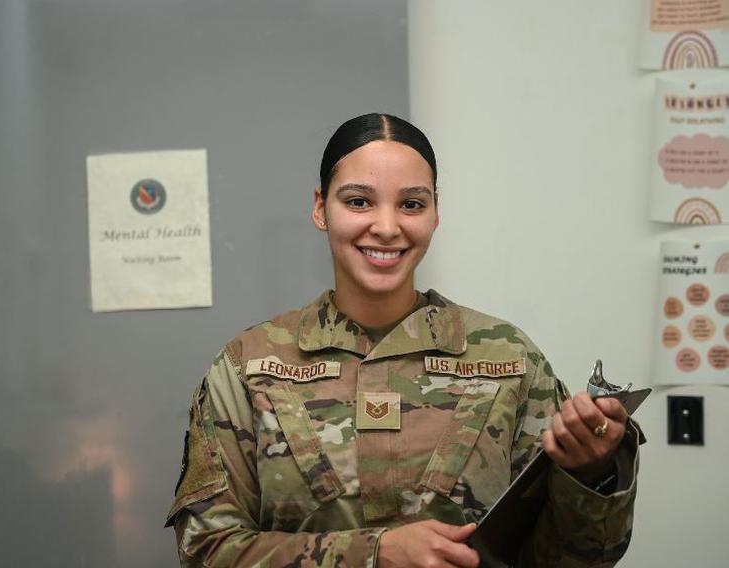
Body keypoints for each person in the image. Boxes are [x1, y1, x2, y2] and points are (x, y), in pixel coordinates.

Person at [165, 113, 641, 567]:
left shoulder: (508, 358)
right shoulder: (250, 365)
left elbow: (563, 561)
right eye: (358, 201)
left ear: (435, 212)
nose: (387, 227)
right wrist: (374, 556)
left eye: (412, 203)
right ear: (319, 208)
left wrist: (590, 474)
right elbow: (207, 550)